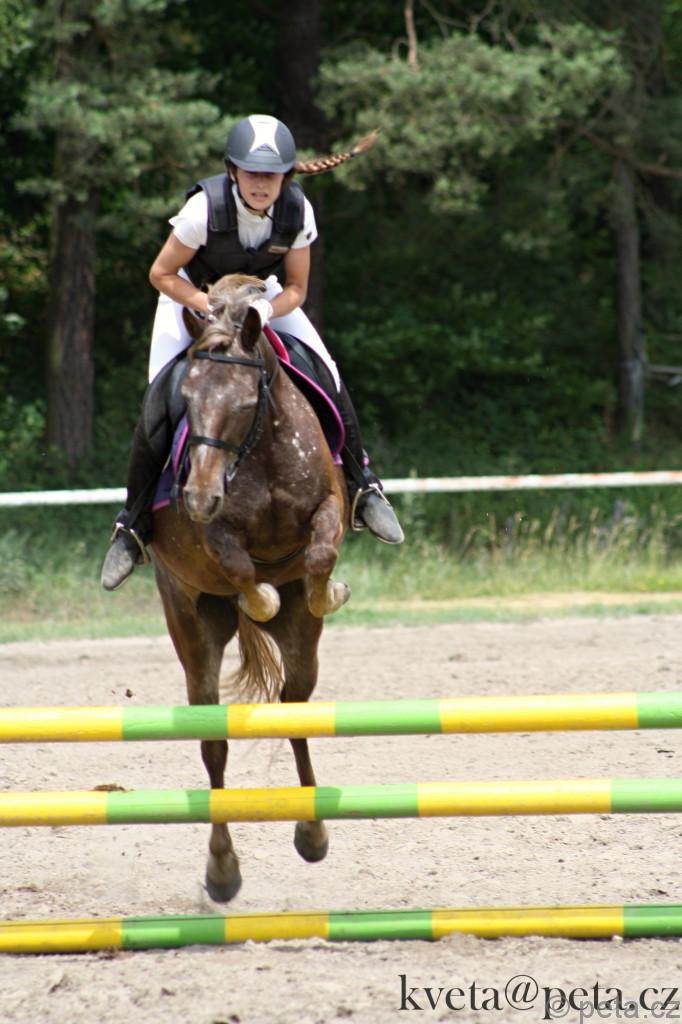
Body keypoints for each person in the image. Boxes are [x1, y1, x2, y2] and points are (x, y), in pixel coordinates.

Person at [101, 114, 404, 591]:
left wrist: (263, 309)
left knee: (327, 371)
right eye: (252, 173)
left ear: (286, 177)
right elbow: (161, 273)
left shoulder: (297, 211)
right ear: (232, 171)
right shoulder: (204, 209)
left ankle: (364, 486)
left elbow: (297, 288)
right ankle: (132, 525)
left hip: (263, 298)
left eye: (272, 176)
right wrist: (208, 306)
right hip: (191, 296)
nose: (262, 185)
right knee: (160, 397)